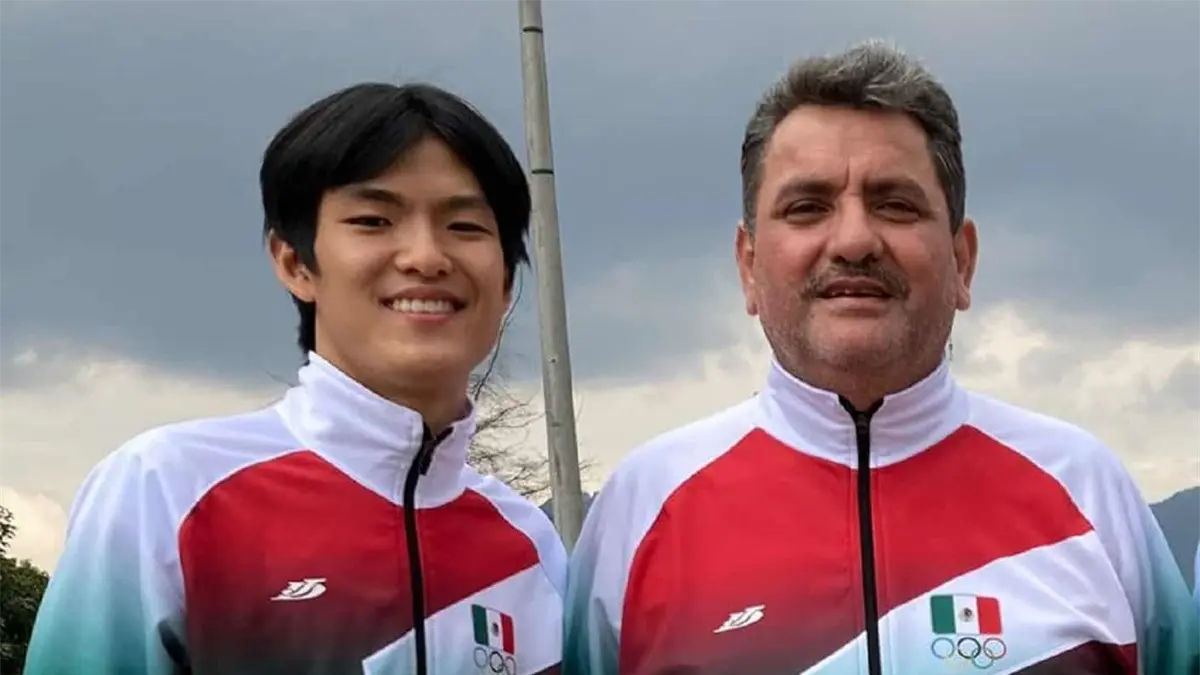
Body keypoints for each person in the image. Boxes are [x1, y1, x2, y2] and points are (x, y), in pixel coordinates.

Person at [563, 41, 1200, 675]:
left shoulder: (1090, 492)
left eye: (895, 204)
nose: (854, 240)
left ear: (963, 262)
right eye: (807, 207)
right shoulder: (640, 511)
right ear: (748, 266)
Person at [24, 83, 566, 675]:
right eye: (373, 220)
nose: (425, 256)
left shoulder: (533, 549)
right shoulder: (165, 491)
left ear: (507, 281)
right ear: (295, 263)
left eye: (464, 226)